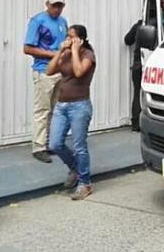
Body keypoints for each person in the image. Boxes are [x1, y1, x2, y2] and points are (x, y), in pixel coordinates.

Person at [47, 25, 97, 201]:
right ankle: (76, 168)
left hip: (79, 106)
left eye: (72, 37)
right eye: (67, 37)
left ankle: (85, 183)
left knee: (79, 146)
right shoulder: (66, 53)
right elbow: (49, 70)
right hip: (62, 106)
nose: (68, 40)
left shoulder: (87, 55)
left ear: (81, 39)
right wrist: (61, 50)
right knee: (54, 144)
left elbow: (78, 71)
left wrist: (75, 50)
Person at [24, 0, 69, 163]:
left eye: (60, 5)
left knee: (56, 109)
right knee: (42, 109)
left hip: (60, 70)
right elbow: (28, 48)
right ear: (47, 4)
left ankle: (51, 142)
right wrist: (53, 55)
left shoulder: (63, 22)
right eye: (54, 5)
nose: (57, 9)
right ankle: (38, 146)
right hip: (44, 70)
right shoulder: (38, 21)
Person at [124, 17, 155, 132]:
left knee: (137, 93)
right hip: (152, 64)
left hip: (139, 62)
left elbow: (127, 40)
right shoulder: (161, 25)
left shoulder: (139, 25)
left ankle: (136, 123)